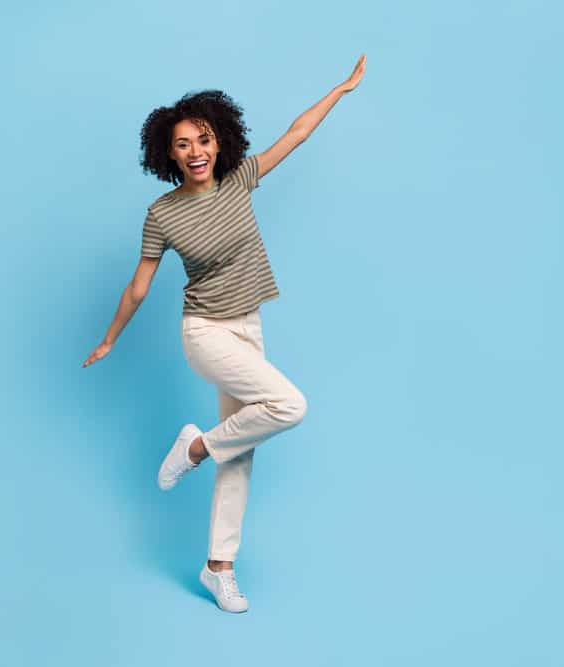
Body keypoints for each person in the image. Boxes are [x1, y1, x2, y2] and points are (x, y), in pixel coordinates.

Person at [82, 54, 367, 612]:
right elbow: (138, 287)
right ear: (168, 152)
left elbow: (297, 134)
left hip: (248, 325)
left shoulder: (240, 180)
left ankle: (219, 567)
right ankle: (194, 447)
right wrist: (112, 337)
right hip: (205, 331)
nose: (197, 152)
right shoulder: (162, 214)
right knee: (289, 405)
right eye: (184, 144)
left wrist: (340, 89)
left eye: (205, 140)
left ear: (220, 142)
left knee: (241, 453)